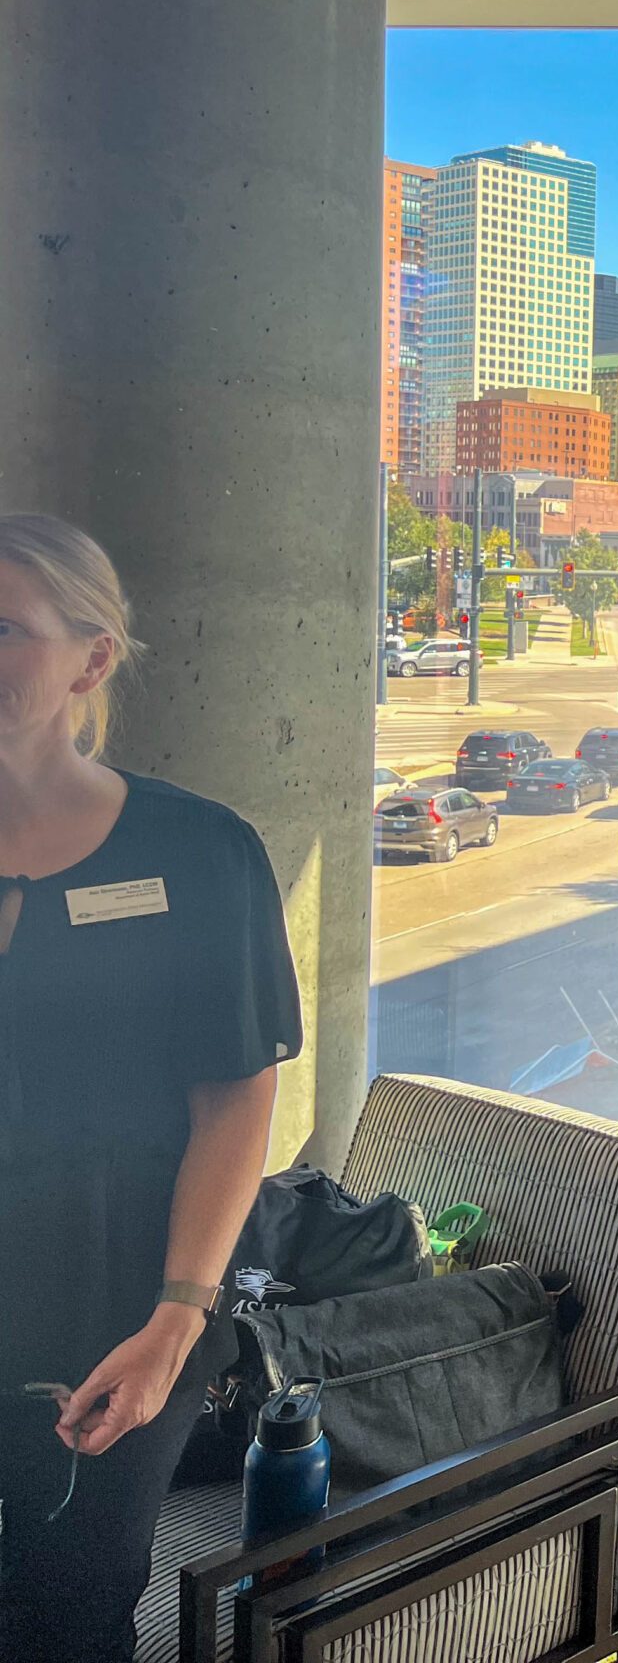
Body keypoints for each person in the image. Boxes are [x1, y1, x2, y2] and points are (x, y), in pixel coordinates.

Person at [0, 513, 298, 1661]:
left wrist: (179, 1319)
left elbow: (236, 1098)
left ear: (91, 658)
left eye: (5, 629)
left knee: (68, 1618)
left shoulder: (199, 853)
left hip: (119, 1315)